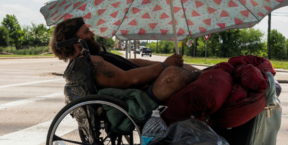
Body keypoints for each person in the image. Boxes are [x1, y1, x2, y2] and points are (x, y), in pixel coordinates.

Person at [50, 17, 201, 103]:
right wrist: (164, 65)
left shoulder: (92, 57)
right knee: (173, 74)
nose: (92, 35)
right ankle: (206, 77)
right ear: (74, 41)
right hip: (142, 93)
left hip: (146, 85)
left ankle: (206, 76)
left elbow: (134, 63)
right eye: (87, 32)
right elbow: (127, 79)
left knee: (183, 67)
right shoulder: (88, 62)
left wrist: (165, 63)